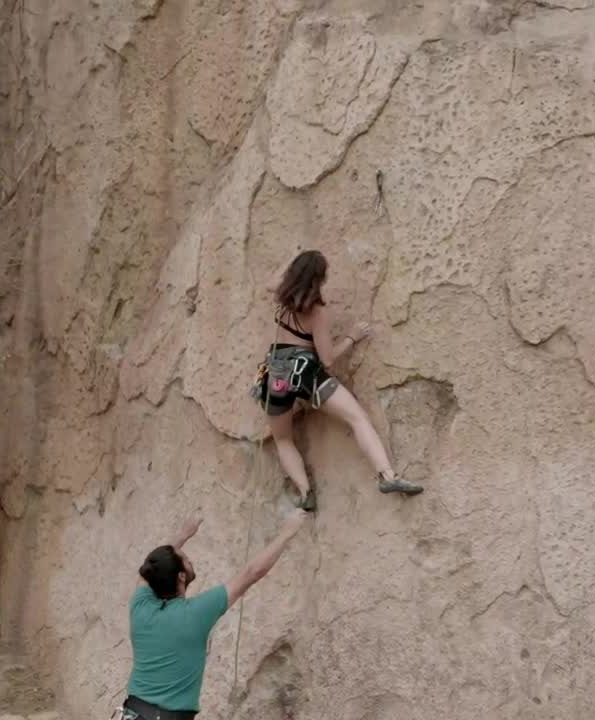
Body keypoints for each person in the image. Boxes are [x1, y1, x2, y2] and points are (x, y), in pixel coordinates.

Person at [252, 249, 423, 510]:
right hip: (306, 373)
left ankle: (305, 492)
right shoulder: (316, 311)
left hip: (277, 373)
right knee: (357, 418)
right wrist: (352, 337)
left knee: (283, 439)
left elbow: (272, 281)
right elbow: (328, 359)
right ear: (319, 279)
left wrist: (295, 259)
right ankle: (387, 475)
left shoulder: (279, 295)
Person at [118, 511, 308, 720]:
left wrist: (182, 535)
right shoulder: (195, 613)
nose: (190, 560)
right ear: (181, 576)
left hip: (131, 715)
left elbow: (149, 567)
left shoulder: (140, 608)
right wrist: (287, 533)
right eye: (186, 560)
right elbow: (251, 573)